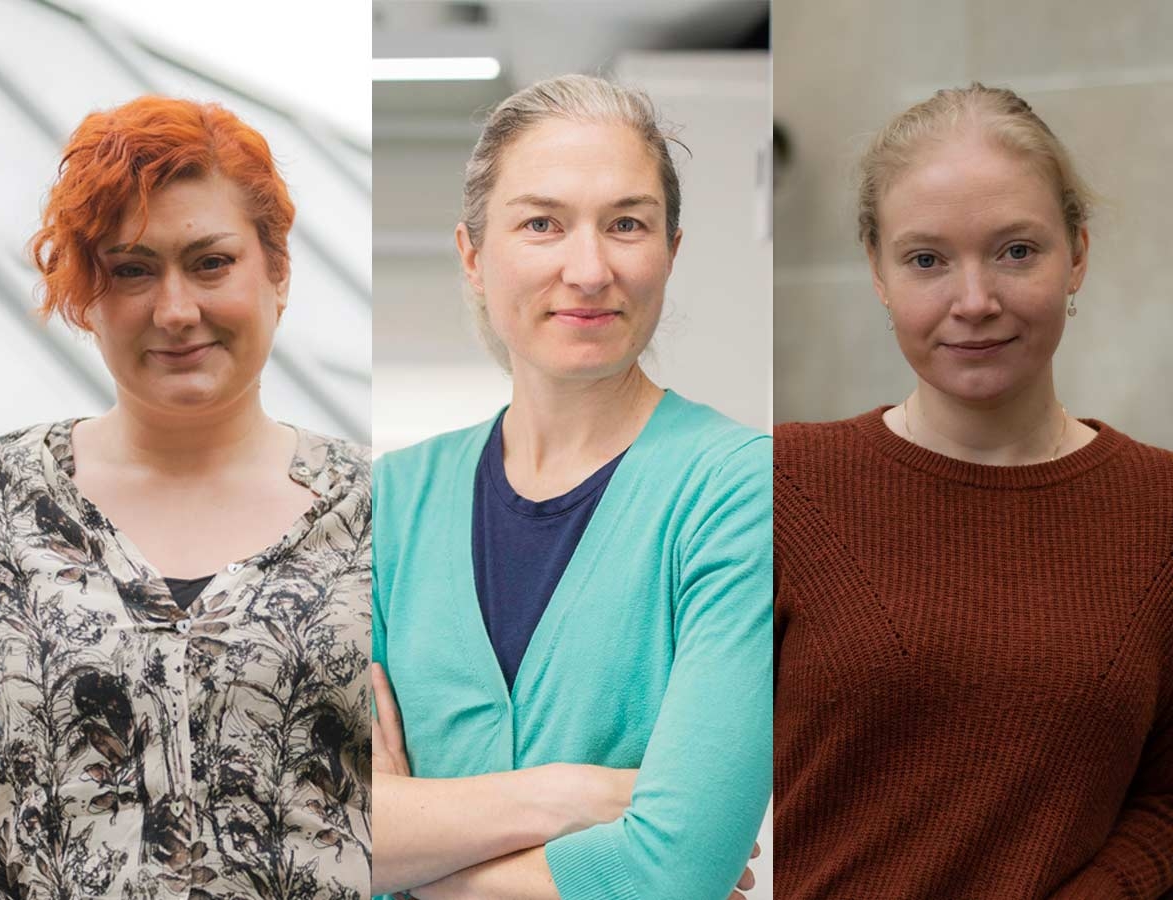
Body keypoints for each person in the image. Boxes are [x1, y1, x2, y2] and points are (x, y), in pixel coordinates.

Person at [371, 74, 773, 900]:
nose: (589, 269)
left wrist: (415, 867)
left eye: (627, 224)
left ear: (671, 251)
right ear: (474, 256)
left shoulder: (740, 494)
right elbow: (308, 832)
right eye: (542, 224)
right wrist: (573, 800)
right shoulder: (388, 507)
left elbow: (673, 868)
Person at [774, 83, 1173, 898]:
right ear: (879, 274)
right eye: (927, 260)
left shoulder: (1162, 509)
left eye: (1016, 250)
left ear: (1079, 255)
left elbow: (1168, 801)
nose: (975, 301)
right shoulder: (780, 486)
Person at [0, 97, 371, 899]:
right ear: (89, 292)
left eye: (211, 262)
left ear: (278, 271)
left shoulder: (385, 513)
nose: (176, 310)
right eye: (132, 270)